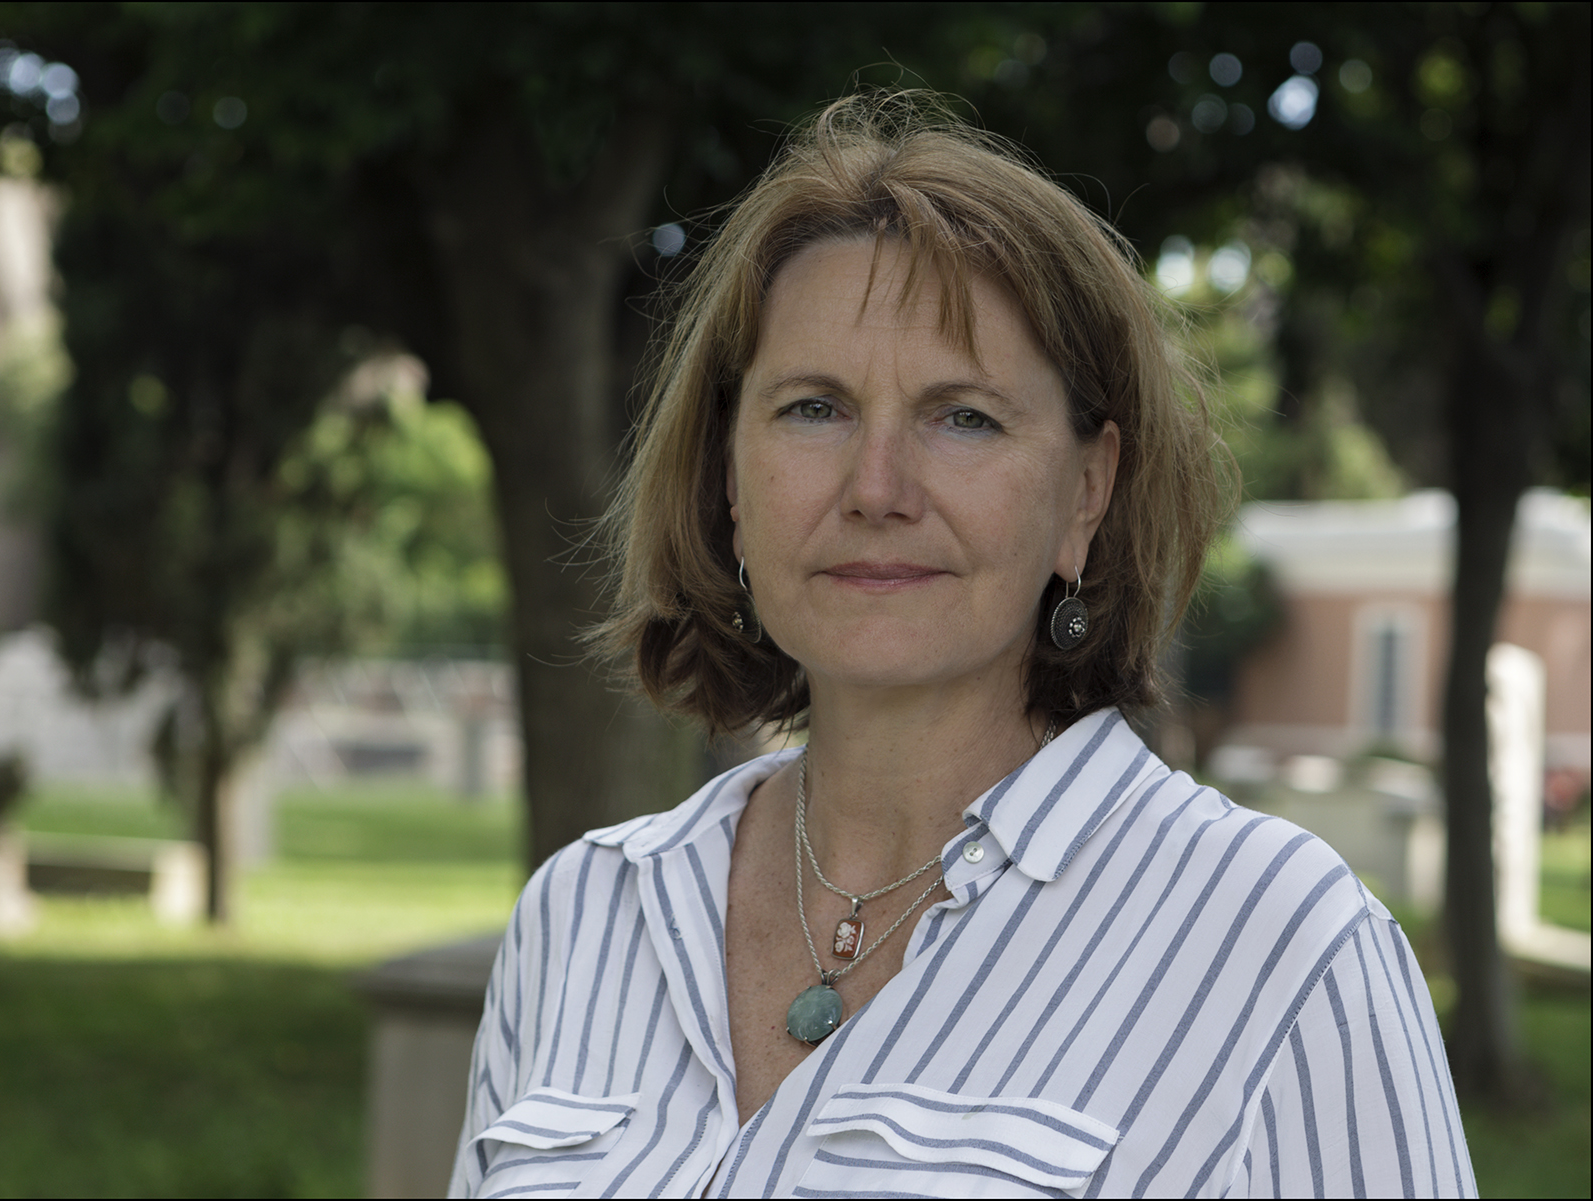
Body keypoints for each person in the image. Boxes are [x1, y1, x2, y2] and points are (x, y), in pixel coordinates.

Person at [450, 92, 1475, 1199]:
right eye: (812, 408)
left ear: (1088, 489)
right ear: (728, 478)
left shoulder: (1278, 943)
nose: (875, 488)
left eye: (965, 417)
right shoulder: (583, 914)